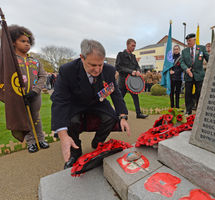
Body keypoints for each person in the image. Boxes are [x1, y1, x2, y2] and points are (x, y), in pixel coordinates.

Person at [51, 39, 130, 168]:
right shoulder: (67, 70)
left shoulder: (109, 70)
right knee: (72, 121)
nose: (98, 69)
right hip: (75, 102)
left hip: (97, 102)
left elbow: (116, 94)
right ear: (82, 57)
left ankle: (98, 142)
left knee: (111, 117)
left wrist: (122, 116)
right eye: (93, 65)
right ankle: (75, 151)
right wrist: (63, 135)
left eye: (101, 64)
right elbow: (59, 100)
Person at [8, 25, 49, 153]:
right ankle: (31, 142)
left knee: (36, 116)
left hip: (35, 95)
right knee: (25, 118)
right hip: (19, 96)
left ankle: (41, 139)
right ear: (14, 42)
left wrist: (35, 91)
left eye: (28, 42)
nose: (27, 44)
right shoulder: (11, 61)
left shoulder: (35, 61)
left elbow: (43, 76)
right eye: (23, 41)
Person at [116, 39, 148, 119]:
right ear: (127, 45)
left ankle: (138, 113)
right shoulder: (121, 55)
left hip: (132, 82)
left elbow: (137, 66)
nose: (134, 47)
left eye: (135, 46)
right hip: (123, 81)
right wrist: (131, 71)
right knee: (120, 98)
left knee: (135, 97)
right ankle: (117, 113)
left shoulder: (133, 56)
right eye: (132, 46)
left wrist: (138, 71)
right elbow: (118, 67)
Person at [181, 33, 209, 115]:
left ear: (194, 40)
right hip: (188, 75)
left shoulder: (202, 48)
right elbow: (182, 62)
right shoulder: (184, 51)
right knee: (188, 94)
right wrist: (187, 69)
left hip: (199, 75)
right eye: (187, 41)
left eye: (189, 41)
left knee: (199, 93)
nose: (188, 42)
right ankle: (188, 111)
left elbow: (209, 59)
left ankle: (199, 111)